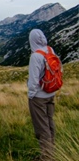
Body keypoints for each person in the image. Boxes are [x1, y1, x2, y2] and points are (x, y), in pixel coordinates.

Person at [27, 29, 55, 161]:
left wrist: (31, 95)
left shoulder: (35, 56)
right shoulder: (50, 50)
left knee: (42, 127)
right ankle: (53, 152)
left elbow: (33, 80)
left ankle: (46, 157)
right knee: (49, 123)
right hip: (51, 93)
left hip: (39, 97)